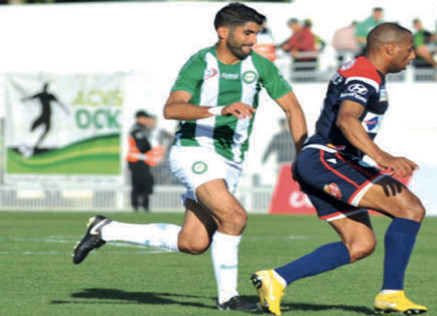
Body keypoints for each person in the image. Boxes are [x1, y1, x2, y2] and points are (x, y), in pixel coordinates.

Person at [72, 2, 308, 311]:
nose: (254, 40)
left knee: (193, 243)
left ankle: (105, 229)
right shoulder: (200, 63)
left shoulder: (260, 66)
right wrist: (218, 109)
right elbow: (171, 109)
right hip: (194, 151)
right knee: (234, 217)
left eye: (257, 34)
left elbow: (292, 107)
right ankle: (228, 299)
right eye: (248, 33)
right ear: (223, 32)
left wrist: (303, 155)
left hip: (231, 160)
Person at [251, 23, 427, 315]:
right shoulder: (364, 75)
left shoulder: (365, 70)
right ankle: (392, 294)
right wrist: (381, 156)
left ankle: (276, 279)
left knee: (360, 244)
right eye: (409, 50)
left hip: (323, 161)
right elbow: (347, 119)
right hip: (329, 160)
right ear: (389, 48)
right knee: (410, 209)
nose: (412, 56)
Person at [20, 82, 69, 156]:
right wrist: (24, 99)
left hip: (48, 116)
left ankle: (36, 145)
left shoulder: (50, 95)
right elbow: (31, 97)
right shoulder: (41, 95)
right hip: (43, 115)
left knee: (47, 129)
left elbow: (59, 103)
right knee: (33, 127)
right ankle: (28, 142)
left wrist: (65, 109)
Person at [126, 110, 159, 212]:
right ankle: (136, 206)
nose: (146, 120)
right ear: (139, 118)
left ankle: (145, 205)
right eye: (145, 118)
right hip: (136, 160)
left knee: (146, 183)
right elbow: (143, 146)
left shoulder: (144, 129)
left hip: (143, 160)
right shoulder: (136, 130)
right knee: (137, 184)